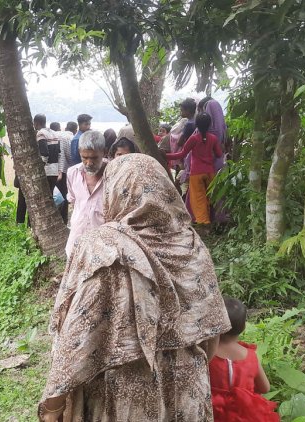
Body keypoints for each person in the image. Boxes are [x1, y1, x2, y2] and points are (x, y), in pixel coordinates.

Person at [38, 153, 231, 422]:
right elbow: (212, 334)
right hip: (186, 391)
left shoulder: (103, 248)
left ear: (116, 191)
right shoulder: (191, 245)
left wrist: (53, 406)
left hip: (123, 399)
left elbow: (77, 336)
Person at [210, 297, 278, 422]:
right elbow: (265, 388)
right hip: (245, 414)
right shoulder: (251, 356)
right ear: (244, 327)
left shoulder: (207, 355)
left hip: (212, 410)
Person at [166, 113, 223, 228]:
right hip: (210, 172)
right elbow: (219, 154)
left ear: (196, 124)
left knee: (198, 198)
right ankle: (215, 219)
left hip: (196, 173)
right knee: (210, 197)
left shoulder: (193, 138)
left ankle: (203, 222)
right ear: (209, 124)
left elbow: (181, 154)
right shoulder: (213, 138)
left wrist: (166, 155)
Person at [64, 130, 107, 258]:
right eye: (85, 158)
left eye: (94, 158)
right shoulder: (72, 173)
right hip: (76, 241)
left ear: (104, 152)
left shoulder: (114, 175)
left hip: (103, 246)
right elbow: (73, 200)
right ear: (79, 153)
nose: (89, 163)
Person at [54, 121, 76, 224]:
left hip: (52, 170)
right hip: (64, 171)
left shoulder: (56, 134)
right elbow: (69, 155)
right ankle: (63, 220)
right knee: (64, 196)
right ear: (75, 130)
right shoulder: (70, 137)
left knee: (54, 195)